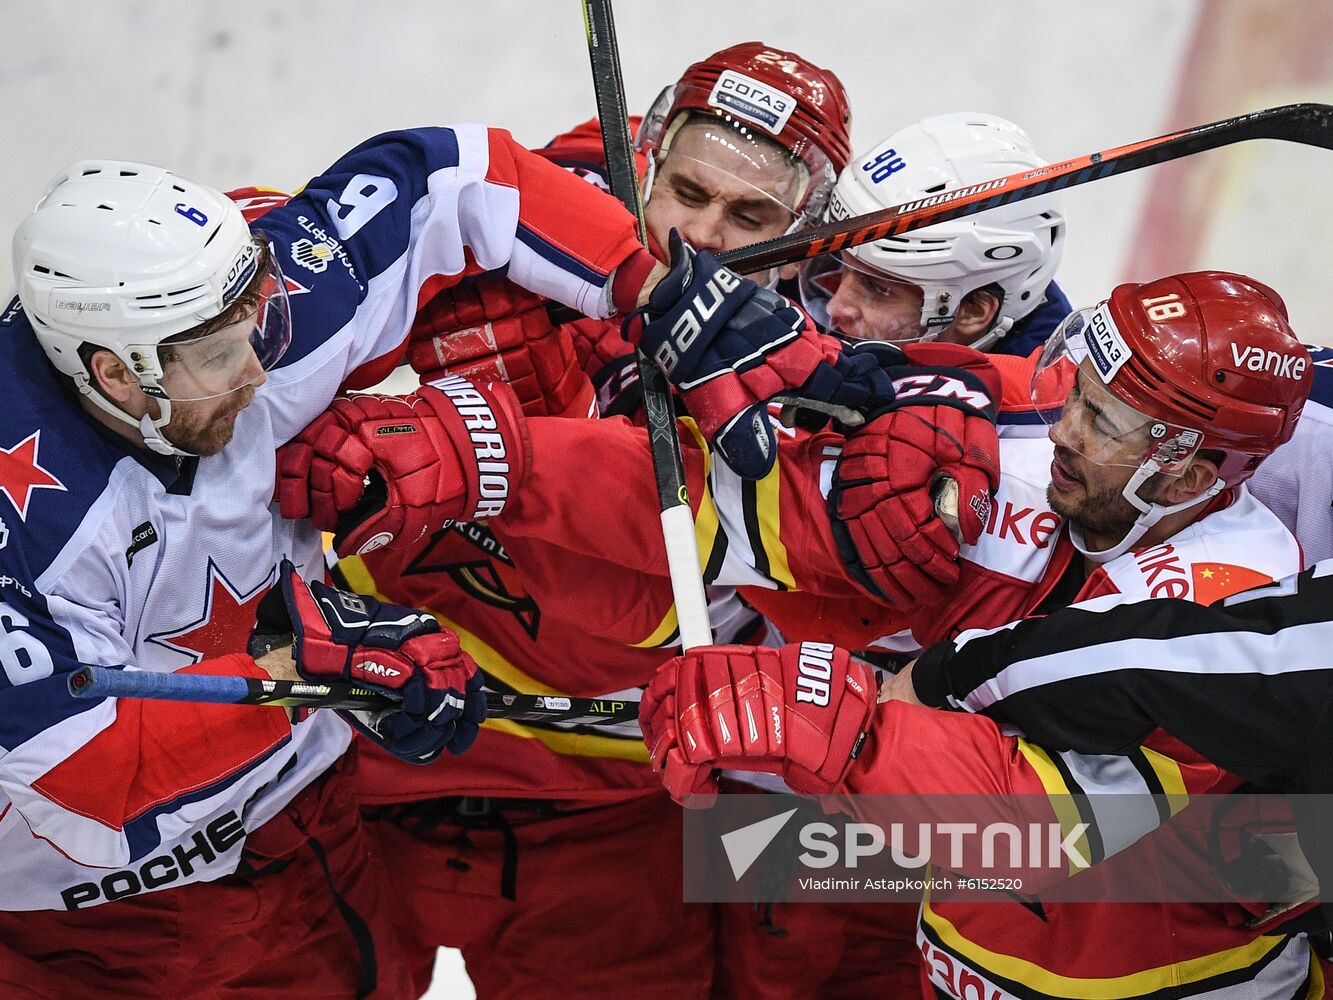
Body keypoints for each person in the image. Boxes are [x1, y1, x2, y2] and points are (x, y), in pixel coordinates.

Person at [0, 122, 823, 998]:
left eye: (256, 325)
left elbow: (452, 175)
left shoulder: (241, 318)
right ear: (114, 374)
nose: (258, 373)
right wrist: (296, 677)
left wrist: (652, 290)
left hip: (316, 830)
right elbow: (64, 776)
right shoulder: (31, 529)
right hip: (104, 926)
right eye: (215, 359)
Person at [638, 270, 1328, 998]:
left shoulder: (1231, 606)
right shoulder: (1091, 496)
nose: (1061, 429)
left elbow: (1038, 832)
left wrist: (845, 728)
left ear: (1186, 480)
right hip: (967, 949)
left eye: (1099, 420)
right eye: (1077, 396)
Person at [799, 111, 1070, 357]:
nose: (835, 306)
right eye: (841, 264)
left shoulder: (1039, 408)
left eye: (876, 287)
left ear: (972, 312)